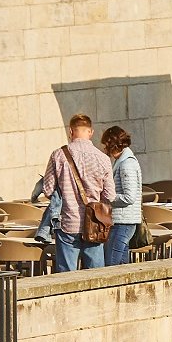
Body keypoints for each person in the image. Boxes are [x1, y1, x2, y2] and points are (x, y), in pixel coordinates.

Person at [31, 113, 114, 272]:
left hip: (67, 222)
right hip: (95, 224)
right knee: (96, 275)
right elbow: (109, 196)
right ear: (91, 132)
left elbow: (48, 190)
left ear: (71, 132)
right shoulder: (103, 159)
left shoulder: (58, 155)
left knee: (67, 276)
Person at [100, 125, 141, 267]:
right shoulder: (123, 161)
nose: (104, 149)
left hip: (123, 221)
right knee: (122, 266)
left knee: (111, 263)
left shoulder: (126, 164)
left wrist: (109, 197)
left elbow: (130, 197)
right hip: (124, 221)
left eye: (106, 144)